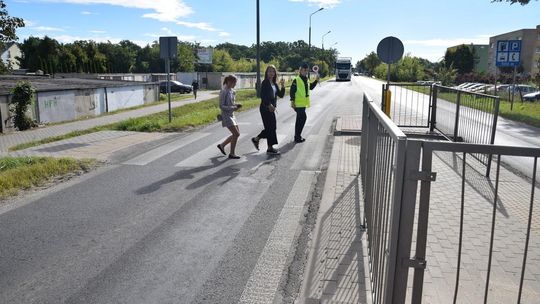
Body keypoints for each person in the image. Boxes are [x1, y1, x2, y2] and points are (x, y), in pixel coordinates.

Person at [251, 65, 286, 155]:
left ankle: (256, 139)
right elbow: (263, 96)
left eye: (273, 71)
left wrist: (283, 86)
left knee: (272, 127)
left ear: (275, 73)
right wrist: (269, 105)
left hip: (272, 109)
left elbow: (281, 95)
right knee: (270, 128)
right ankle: (270, 148)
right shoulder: (265, 83)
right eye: (269, 71)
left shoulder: (274, 84)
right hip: (265, 108)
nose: (271, 73)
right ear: (266, 73)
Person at [290, 63, 319, 143]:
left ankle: (297, 136)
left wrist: (316, 80)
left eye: (307, 70)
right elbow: (292, 91)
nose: (306, 71)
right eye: (304, 70)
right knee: (302, 119)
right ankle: (297, 137)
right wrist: (292, 101)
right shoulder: (297, 79)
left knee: (300, 120)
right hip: (297, 104)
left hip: (303, 104)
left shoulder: (306, 79)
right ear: (300, 70)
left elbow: (311, 87)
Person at [217, 75, 242, 159]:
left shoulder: (232, 91)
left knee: (236, 134)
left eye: (235, 82)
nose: (235, 84)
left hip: (232, 115)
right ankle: (232, 153)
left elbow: (231, 103)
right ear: (228, 82)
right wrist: (233, 107)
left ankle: (222, 145)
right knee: (236, 134)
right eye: (233, 82)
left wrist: (236, 105)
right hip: (226, 115)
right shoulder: (224, 91)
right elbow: (221, 106)